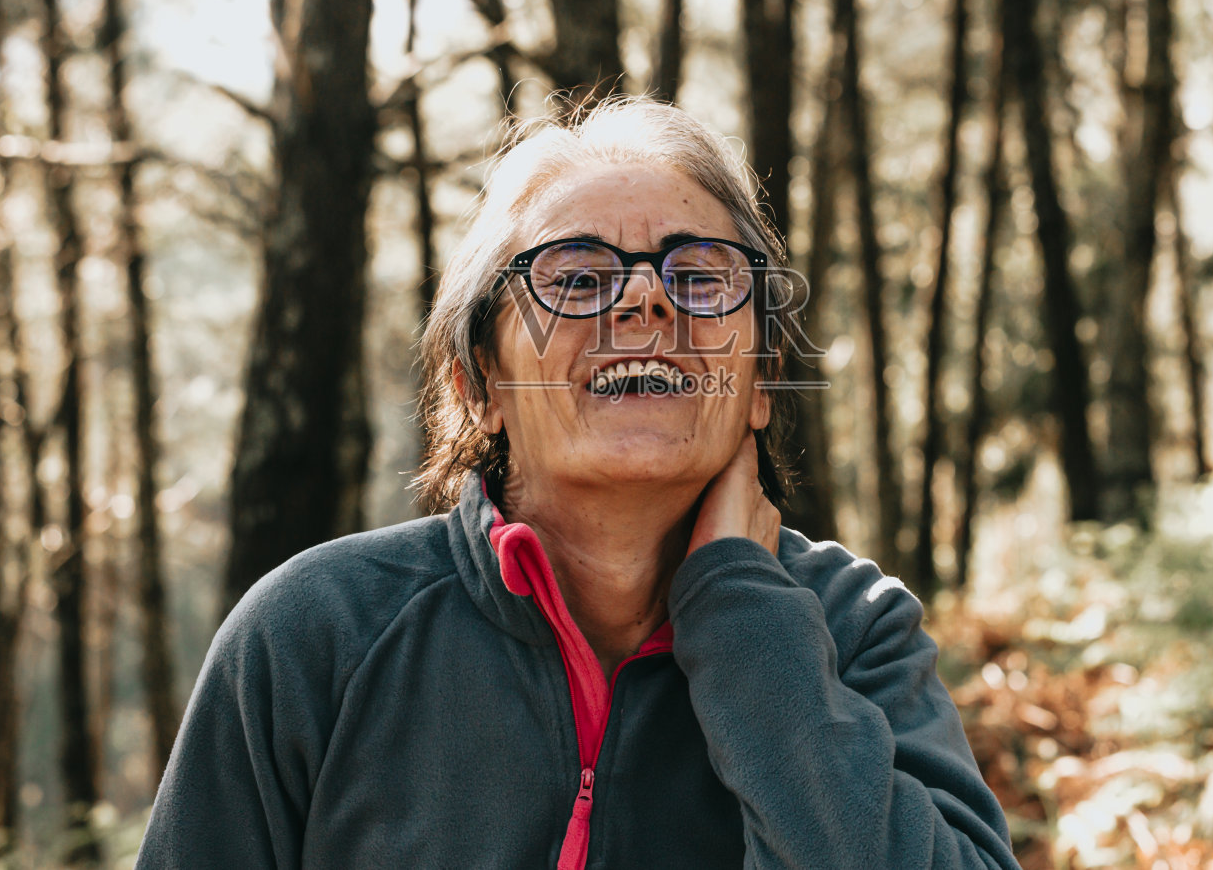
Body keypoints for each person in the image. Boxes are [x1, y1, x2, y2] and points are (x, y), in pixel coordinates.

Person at [135, 96, 1022, 869]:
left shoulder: (853, 627)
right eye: (577, 278)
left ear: (759, 381)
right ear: (476, 384)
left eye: (702, 276)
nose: (646, 303)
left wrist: (751, 628)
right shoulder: (314, 636)